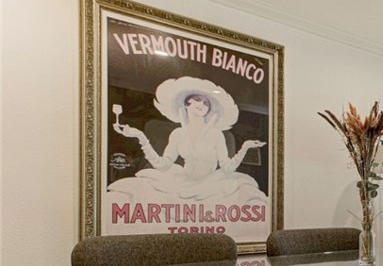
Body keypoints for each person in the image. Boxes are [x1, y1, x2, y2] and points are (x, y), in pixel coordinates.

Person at [108, 76, 268, 207]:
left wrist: (245, 148)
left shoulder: (216, 135)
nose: (202, 105)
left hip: (213, 184)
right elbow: (162, 165)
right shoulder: (178, 134)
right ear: (186, 104)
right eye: (197, 100)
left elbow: (227, 168)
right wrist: (140, 137)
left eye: (206, 103)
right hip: (182, 183)